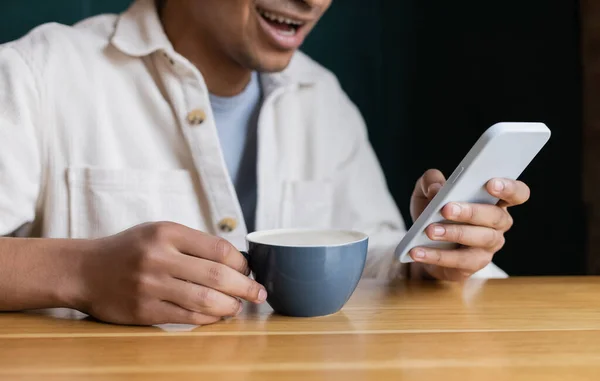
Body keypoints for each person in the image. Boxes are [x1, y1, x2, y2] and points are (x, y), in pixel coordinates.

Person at [0, 0, 530, 326]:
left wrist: (429, 259)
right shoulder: (40, 73)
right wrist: (83, 272)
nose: (312, 1)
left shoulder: (322, 98)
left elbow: (370, 261)